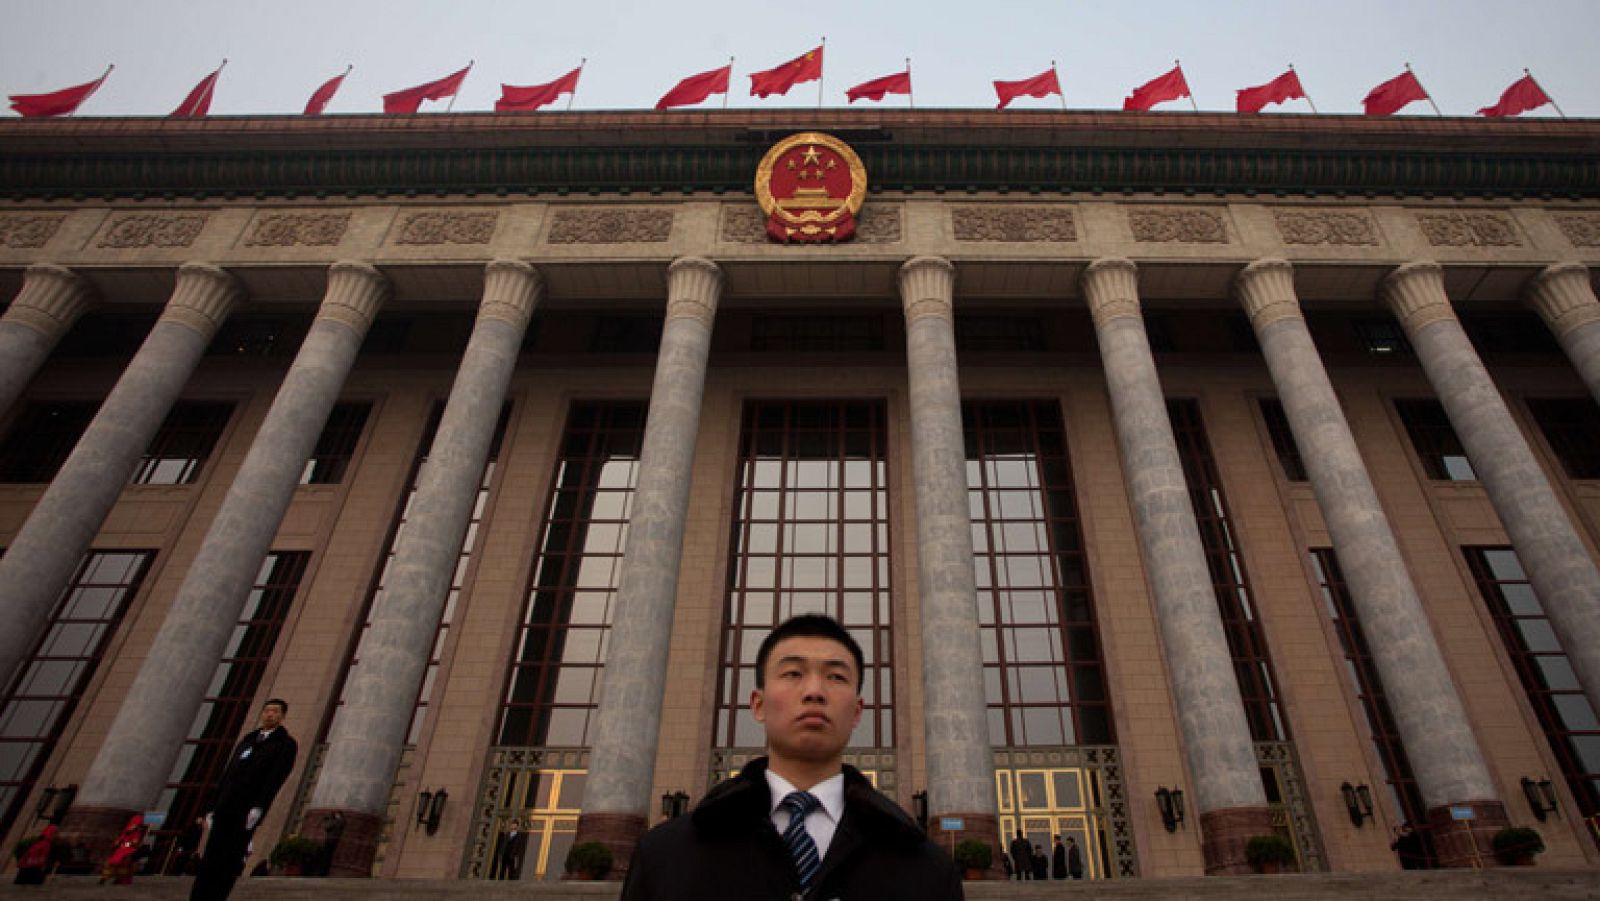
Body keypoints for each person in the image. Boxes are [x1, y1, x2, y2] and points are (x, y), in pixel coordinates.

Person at [622, 614, 962, 900]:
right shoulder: (666, 856)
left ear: (857, 711)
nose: (814, 691)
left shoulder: (926, 869)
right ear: (757, 704)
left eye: (836, 677)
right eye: (793, 674)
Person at [189, 698, 298, 901]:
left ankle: (217, 896)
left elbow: (275, 779)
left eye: (274, 711)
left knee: (229, 858)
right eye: (266, 710)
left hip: (246, 809)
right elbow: (227, 775)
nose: (269, 714)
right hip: (224, 806)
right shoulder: (248, 740)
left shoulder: (285, 744)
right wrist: (211, 807)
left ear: (282, 716)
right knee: (210, 857)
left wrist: (260, 807)